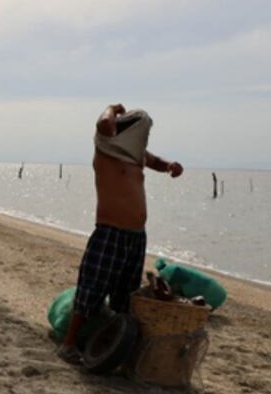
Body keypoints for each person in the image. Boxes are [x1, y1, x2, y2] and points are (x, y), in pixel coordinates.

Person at [56, 103, 183, 364]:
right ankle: (69, 344)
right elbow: (104, 124)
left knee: (125, 296)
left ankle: (112, 347)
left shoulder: (136, 154)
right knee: (91, 289)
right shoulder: (105, 145)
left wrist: (170, 165)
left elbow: (155, 161)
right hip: (109, 232)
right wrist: (113, 108)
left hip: (136, 236)